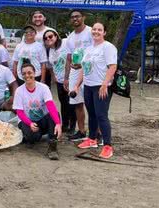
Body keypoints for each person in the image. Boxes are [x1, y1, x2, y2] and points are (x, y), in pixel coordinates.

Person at [76, 22, 117, 159]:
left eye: (100, 29)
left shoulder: (108, 47)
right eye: (94, 29)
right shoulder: (88, 49)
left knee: (101, 115)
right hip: (88, 86)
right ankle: (92, 139)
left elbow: (112, 67)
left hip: (101, 87)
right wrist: (77, 85)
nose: (96, 32)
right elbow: (83, 68)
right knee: (92, 114)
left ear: (104, 32)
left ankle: (107, 146)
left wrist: (105, 84)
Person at [13, 63, 62, 160]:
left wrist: (58, 123)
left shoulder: (43, 88)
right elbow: (19, 112)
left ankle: (52, 147)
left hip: (42, 120)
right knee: (33, 138)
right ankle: (30, 137)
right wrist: (30, 123)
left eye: (29, 72)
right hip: (29, 121)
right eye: (24, 74)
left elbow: (50, 105)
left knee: (55, 114)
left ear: (35, 73)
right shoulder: (19, 90)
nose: (27, 76)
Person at [64, 10, 93, 141]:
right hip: (75, 72)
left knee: (91, 104)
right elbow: (69, 58)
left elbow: (98, 50)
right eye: (72, 17)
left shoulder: (91, 32)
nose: (75, 19)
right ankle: (81, 131)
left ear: (83, 17)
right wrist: (66, 77)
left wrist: (83, 65)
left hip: (90, 70)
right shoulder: (70, 38)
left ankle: (96, 132)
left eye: (77, 16)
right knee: (77, 103)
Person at [44, 29, 76, 134]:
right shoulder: (50, 51)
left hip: (71, 79)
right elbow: (51, 66)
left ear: (56, 36)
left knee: (72, 103)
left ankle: (73, 126)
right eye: (46, 38)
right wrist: (54, 77)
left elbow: (73, 55)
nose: (48, 39)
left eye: (50, 36)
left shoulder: (66, 42)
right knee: (63, 103)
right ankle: (65, 125)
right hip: (59, 81)